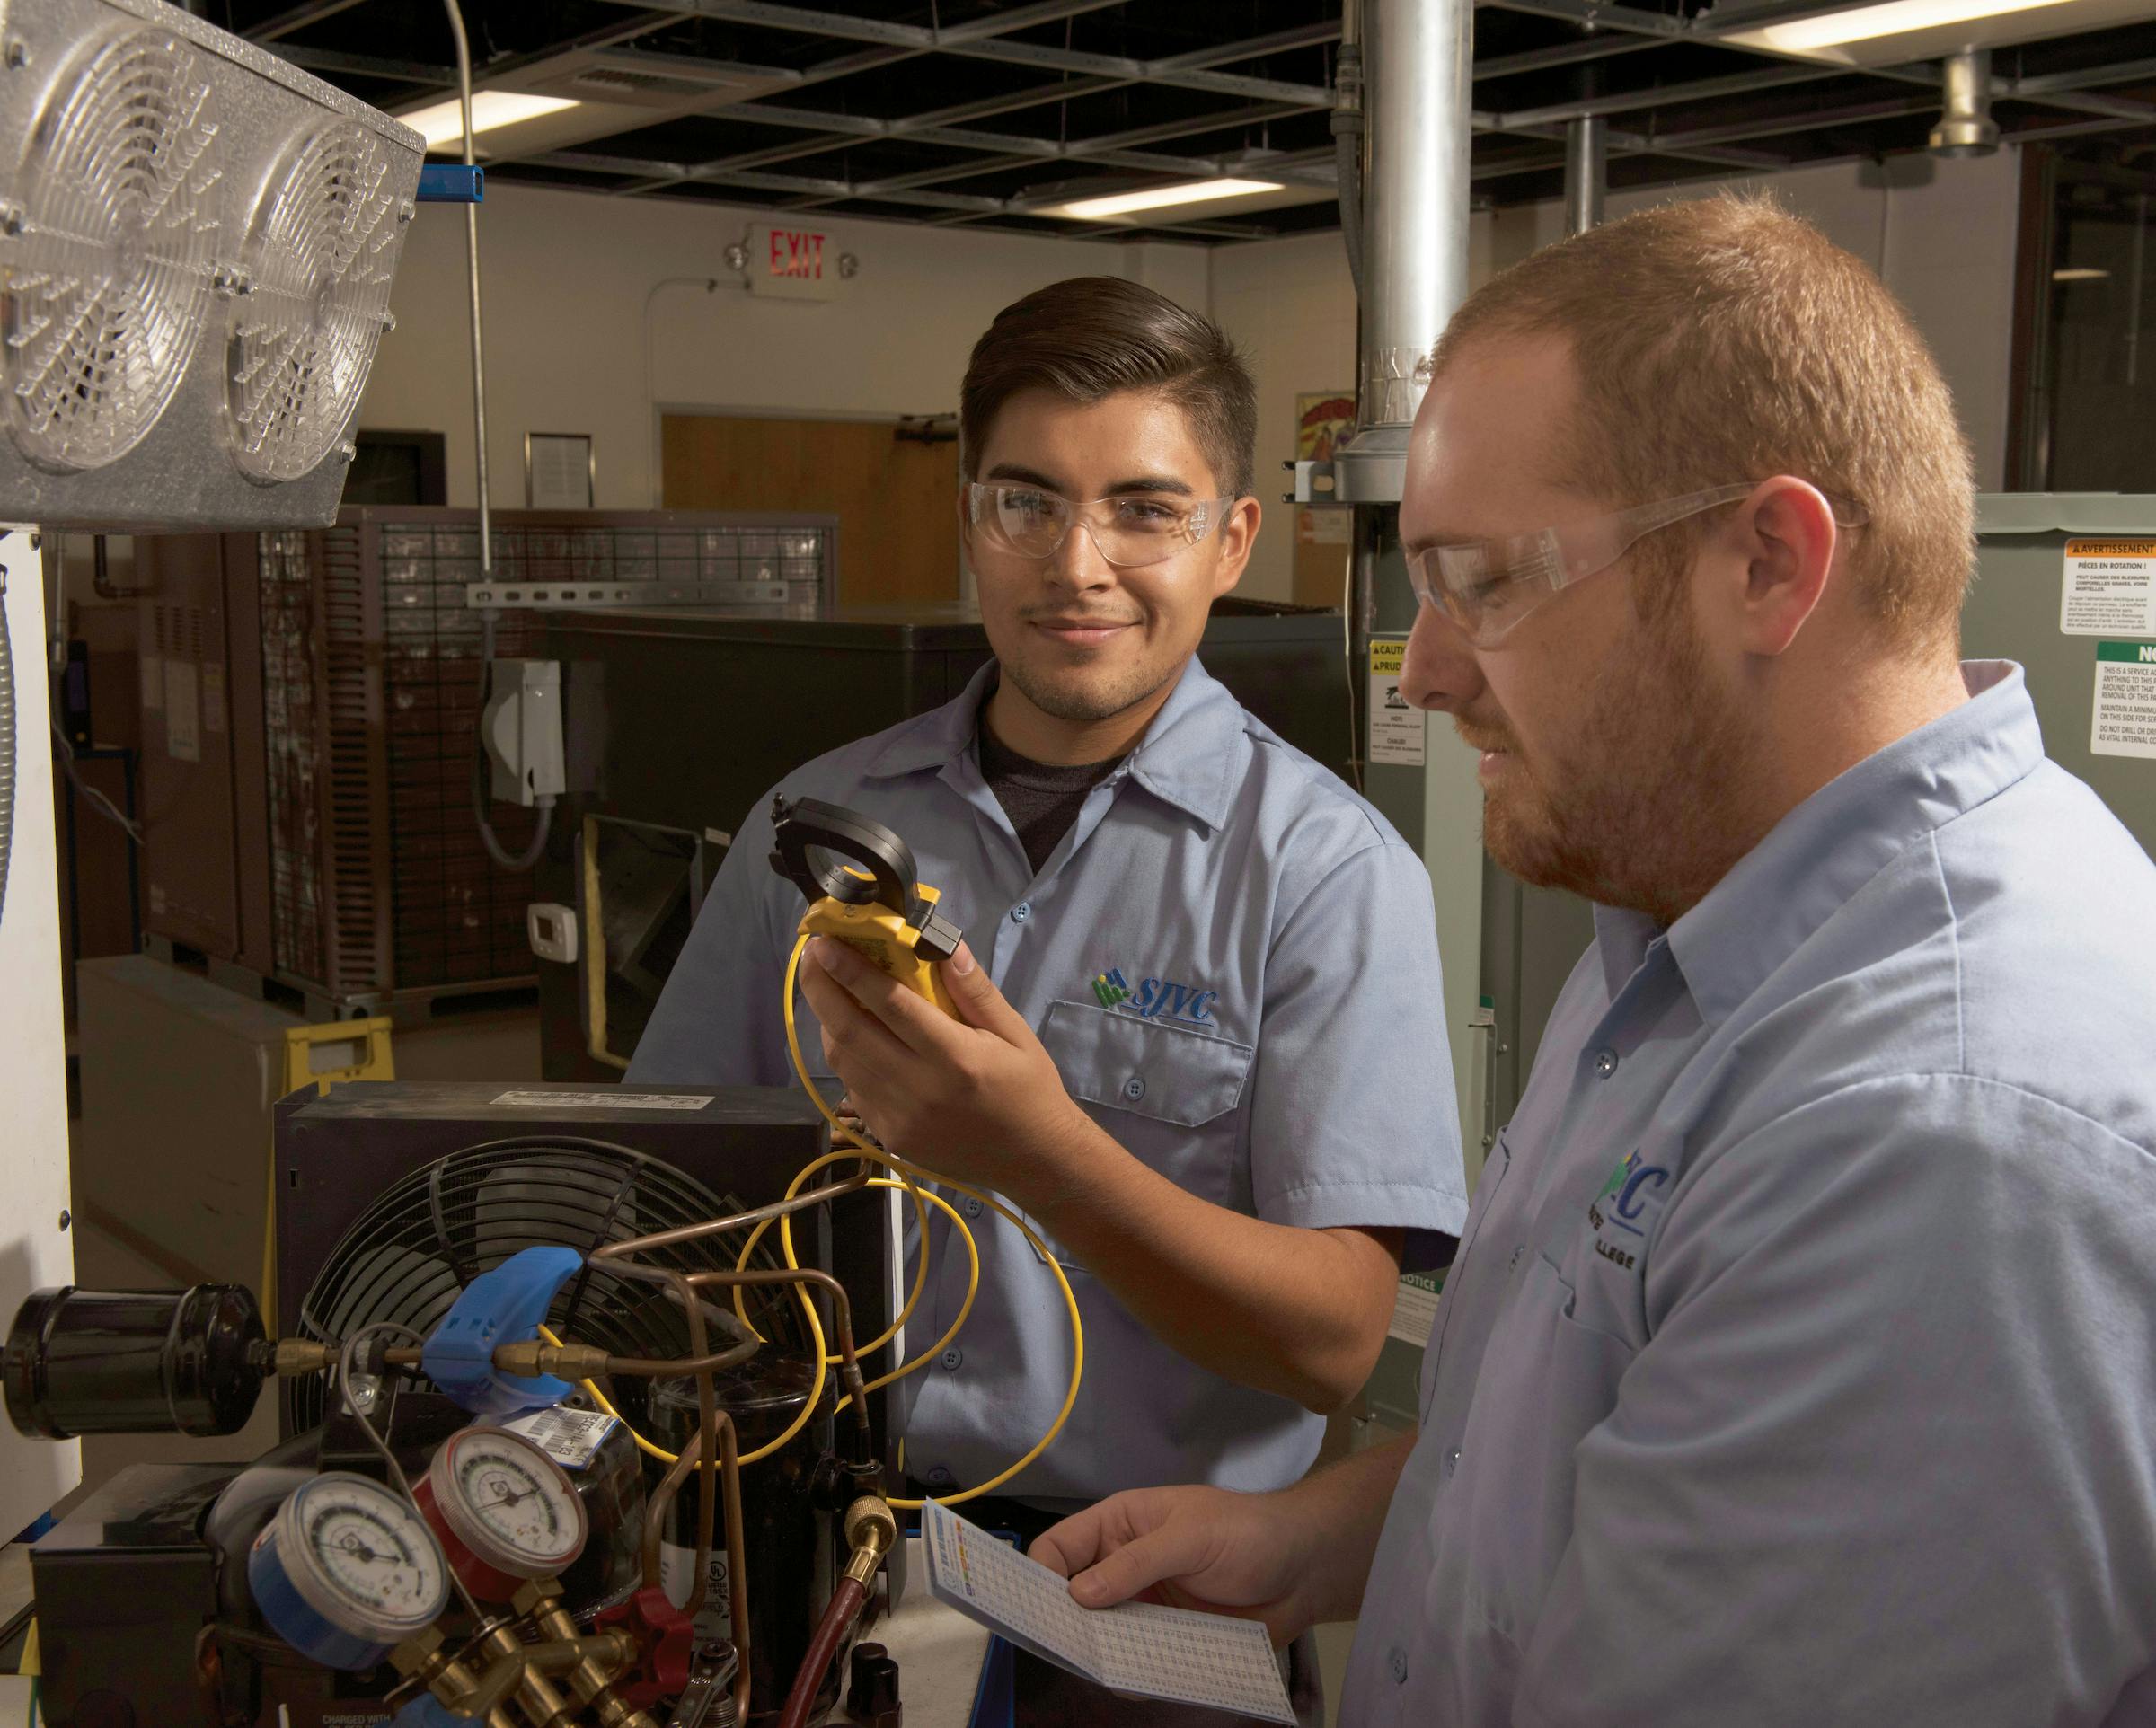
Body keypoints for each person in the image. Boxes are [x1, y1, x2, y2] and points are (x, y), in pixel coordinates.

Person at [1027, 195, 2156, 1726]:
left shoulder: (1931, 1138)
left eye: (1484, 581)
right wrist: (1308, 1542)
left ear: (1767, 561)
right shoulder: (1687, 910)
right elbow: (1578, 1433)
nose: (1424, 671)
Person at [631, 277, 1468, 1709]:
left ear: (1231, 541)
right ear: (972, 521)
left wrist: (1035, 1153)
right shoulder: (819, 821)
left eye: (1146, 509)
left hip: (1153, 1590)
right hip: (816, 1558)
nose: (1078, 563)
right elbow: (656, 1192)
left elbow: (1333, 1344)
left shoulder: (1326, 872)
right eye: (1027, 502)